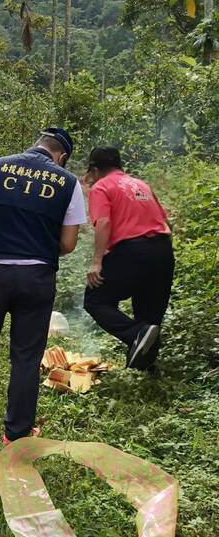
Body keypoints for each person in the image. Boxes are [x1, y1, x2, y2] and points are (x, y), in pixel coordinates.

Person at [0, 128, 87, 446]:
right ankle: (15, 434)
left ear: (37, 144)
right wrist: (36, 238)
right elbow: (68, 244)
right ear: (62, 157)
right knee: (26, 357)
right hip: (36, 278)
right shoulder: (69, 183)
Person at [82, 146, 173, 370]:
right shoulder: (141, 184)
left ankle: (135, 333)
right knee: (150, 313)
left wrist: (97, 262)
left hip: (133, 251)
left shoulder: (101, 186)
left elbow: (103, 222)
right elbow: (162, 218)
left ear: (94, 169)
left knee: (96, 299)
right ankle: (146, 371)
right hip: (163, 250)